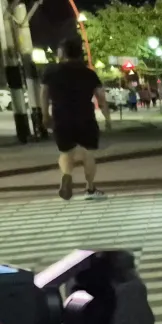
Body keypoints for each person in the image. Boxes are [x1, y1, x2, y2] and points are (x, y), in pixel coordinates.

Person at [40, 37, 111, 201]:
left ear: (62, 52)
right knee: (88, 154)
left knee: (66, 152)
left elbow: (44, 93)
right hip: (85, 118)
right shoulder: (89, 74)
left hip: (61, 117)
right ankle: (90, 188)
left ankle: (67, 175)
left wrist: (45, 114)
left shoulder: (51, 72)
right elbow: (101, 98)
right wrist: (107, 119)